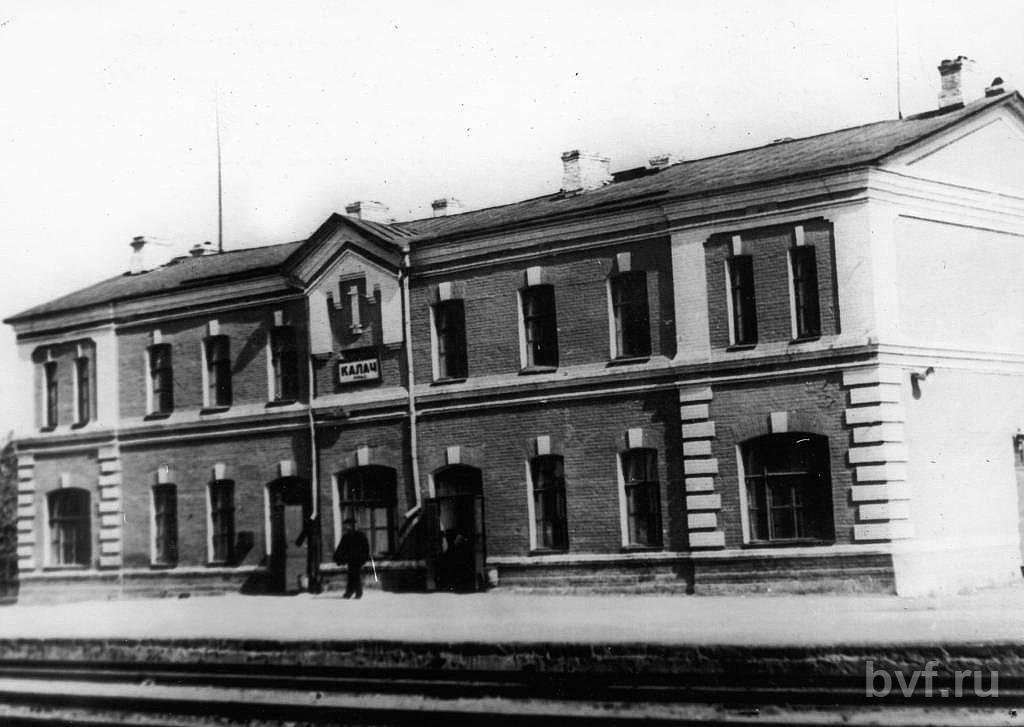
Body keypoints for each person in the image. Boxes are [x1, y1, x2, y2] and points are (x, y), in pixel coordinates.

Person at [334, 517, 370, 599]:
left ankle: (356, 592)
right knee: (351, 574)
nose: (346, 527)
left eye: (348, 525)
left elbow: (366, 548)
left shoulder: (360, 535)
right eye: (346, 525)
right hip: (351, 559)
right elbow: (341, 548)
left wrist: (364, 557)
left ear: (352, 525)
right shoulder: (346, 536)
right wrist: (337, 557)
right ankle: (351, 591)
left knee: (354, 575)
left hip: (358, 559)